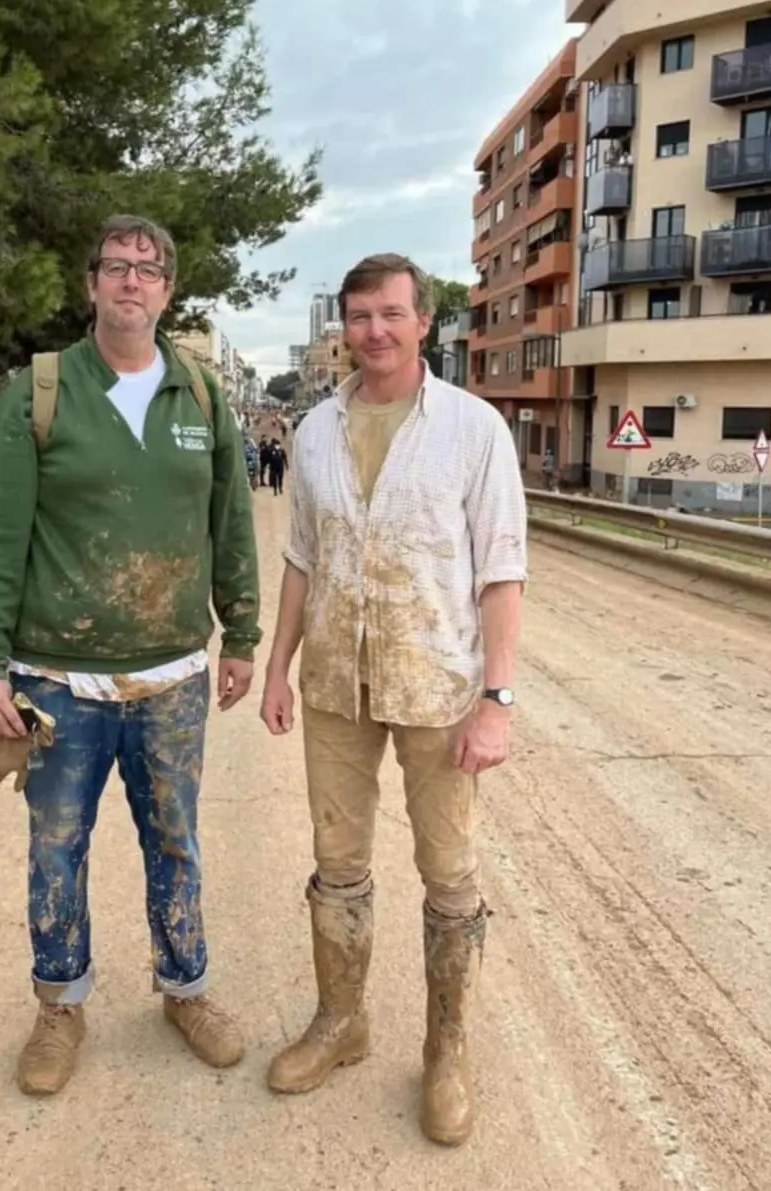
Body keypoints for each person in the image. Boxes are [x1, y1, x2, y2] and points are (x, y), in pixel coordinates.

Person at [0, 214, 261, 1097]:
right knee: (58, 846)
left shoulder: (201, 397)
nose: (133, 281)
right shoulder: (39, 392)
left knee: (176, 842)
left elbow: (230, 522)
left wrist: (240, 631)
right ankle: (60, 1005)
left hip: (172, 680)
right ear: (91, 283)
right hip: (58, 682)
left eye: (150, 269)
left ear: (168, 290)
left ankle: (186, 989)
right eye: (117, 267)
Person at [260, 253, 527, 1146]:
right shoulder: (314, 431)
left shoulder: (473, 429)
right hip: (337, 683)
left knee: (449, 874)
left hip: (439, 686)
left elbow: (501, 571)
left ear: (424, 321)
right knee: (338, 862)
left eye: (392, 313)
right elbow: (301, 555)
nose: (375, 330)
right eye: (360, 315)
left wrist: (497, 698)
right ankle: (343, 1021)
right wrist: (276, 665)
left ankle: (445, 1050)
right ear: (345, 328)